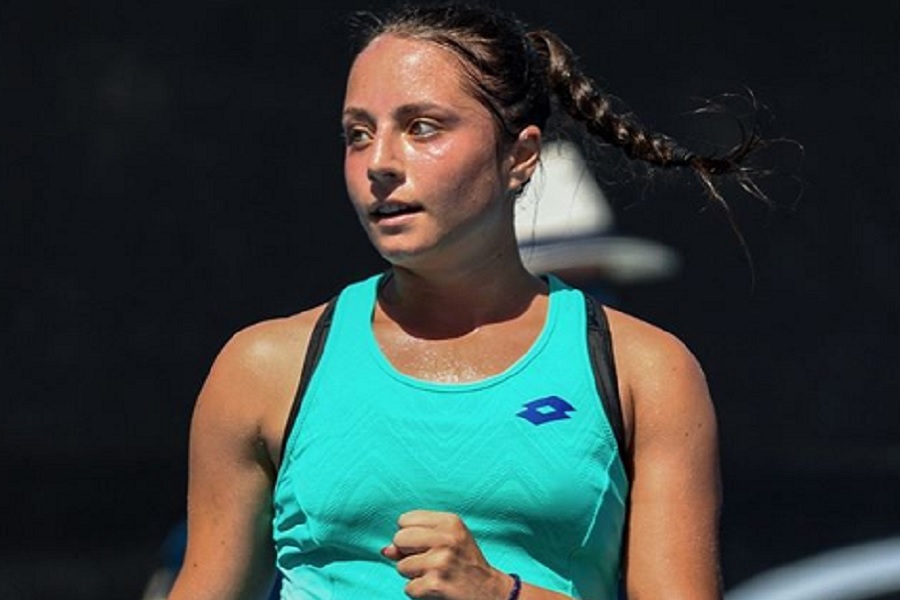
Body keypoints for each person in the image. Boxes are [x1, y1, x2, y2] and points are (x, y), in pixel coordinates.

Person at [168, 2, 770, 599]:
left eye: (422, 127)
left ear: (520, 155)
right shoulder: (260, 368)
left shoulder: (649, 372)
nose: (379, 163)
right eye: (358, 134)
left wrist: (500, 593)